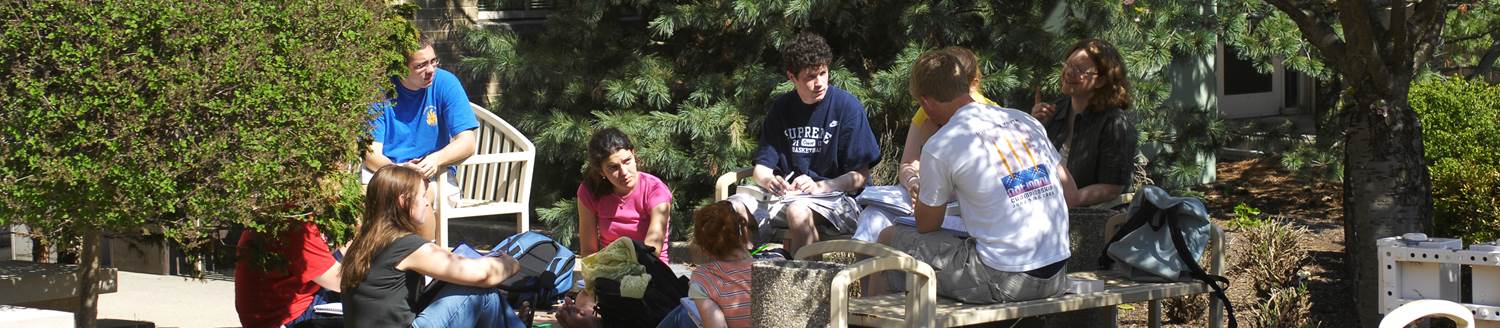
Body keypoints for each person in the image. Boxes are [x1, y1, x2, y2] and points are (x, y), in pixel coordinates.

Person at [875, 49, 1081, 304]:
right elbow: (1070, 194)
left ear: (926, 102)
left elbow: (927, 225)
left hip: (1002, 279)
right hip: (1057, 273)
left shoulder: (942, 144)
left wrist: (919, 187)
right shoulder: (1023, 120)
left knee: (886, 240)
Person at [730, 31, 881, 255]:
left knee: (798, 211)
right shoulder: (781, 108)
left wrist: (822, 186)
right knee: (731, 208)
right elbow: (761, 169)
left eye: (823, 73)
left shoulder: (847, 107)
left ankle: (805, 284)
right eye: (810, 77)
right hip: (786, 197)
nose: (819, 83)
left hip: (839, 199)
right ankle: (746, 275)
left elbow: (860, 176)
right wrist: (771, 181)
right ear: (792, 77)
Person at [341, 165, 523, 328]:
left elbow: (427, 236)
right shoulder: (404, 245)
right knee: (479, 291)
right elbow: (484, 275)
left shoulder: (364, 240)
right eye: (422, 196)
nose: (427, 203)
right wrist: (510, 263)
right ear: (404, 201)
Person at [853, 47, 997, 243]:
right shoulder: (927, 112)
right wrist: (913, 181)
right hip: (928, 200)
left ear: (972, 84)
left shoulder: (990, 114)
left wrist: (929, 192)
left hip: (964, 213)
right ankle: (860, 271)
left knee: (891, 237)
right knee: (874, 216)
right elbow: (909, 162)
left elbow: (928, 222)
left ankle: (879, 271)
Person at [364, 31, 479, 241]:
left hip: (435, 174)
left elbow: (468, 143)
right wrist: (400, 172)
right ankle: (363, 267)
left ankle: (424, 269)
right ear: (400, 68)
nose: (430, 70)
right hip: (388, 171)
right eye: (421, 65)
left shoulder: (445, 83)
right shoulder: (381, 89)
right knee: (360, 198)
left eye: (433, 61)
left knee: (418, 200)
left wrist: (435, 160)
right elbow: (371, 153)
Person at [1028, 38, 1137, 208]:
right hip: (1048, 212)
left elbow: (1113, 187)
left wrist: (1072, 200)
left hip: (1093, 221)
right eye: (1067, 65)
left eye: (1079, 69)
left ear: (1100, 81)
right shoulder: (1054, 111)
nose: (1068, 72)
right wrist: (1033, 127)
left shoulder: (1114, 122)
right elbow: (1032, 169)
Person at [576, 127, 674, 263]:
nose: (624, 172)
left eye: (627, 161)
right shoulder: (589, 191)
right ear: (601, 171)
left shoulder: (655, 190)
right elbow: (588, 252)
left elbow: (652, 249)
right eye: (613, 167)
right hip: (609, 269)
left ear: (633, 154)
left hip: (651, 269)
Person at [657, 201, 754, 328]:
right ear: (741, 233)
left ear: (704, 248)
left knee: (681, 314)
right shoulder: (765, 269)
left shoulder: (703, 278)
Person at [234, 222, 342, 328]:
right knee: (357, 303)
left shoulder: (277, 218)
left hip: (273, 313)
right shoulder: (297, 226)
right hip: (288, 318)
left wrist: (352, 235)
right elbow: (341, 282)